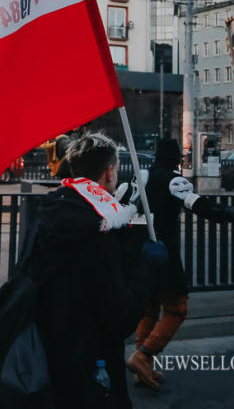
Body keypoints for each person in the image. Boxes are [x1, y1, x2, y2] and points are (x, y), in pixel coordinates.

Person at [29, 133, 166, 409]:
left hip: (50, 359)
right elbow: (121, 316)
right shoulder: (99, 228)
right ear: (109, 171)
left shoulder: (50, 211)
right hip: (93, 370)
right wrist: (146, 265)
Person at [126, 138, 234, 389]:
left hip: (140, 252)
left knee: (149, 307)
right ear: (176, 159)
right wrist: (230, 214)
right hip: (164, 253)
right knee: (176, 308)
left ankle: (143, 369)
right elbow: (198, 205)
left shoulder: (141, 176)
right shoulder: (175, 180)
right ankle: (143, 356)